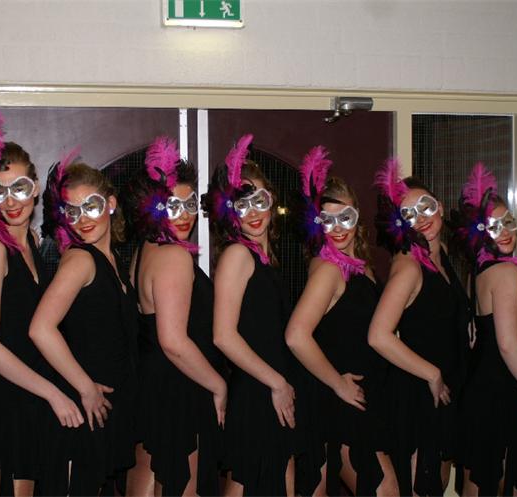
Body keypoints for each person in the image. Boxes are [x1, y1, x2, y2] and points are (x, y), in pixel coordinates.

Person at [0, 113, 82, 496]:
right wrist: (54, 394)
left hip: (29, 397)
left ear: (35, 189)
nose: (11, 200)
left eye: (20, 187)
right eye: (0, 191)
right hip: (2, 402)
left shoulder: (30, 244)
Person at [205, 134, 317, 497]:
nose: (253, 212)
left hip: (270, 388)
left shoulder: (266, 258)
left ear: (272, 202)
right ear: (230, 212)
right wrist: (277, 383)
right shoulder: (238, 255)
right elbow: (223, 336)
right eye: (242, 205)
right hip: (258, 391)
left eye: (260, 201)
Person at [285, 147, 399, 496]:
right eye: (327, 220)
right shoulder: (329, 269)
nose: (337, 228)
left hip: (363, 398)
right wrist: (338, 384)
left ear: (357, 216)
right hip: (341, 402)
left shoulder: (361, 266)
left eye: (344, 217)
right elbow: (296, 336)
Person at [29, 153, 138, 495]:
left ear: (110, 204)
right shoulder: (79, 259)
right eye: (72, 211)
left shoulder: (114, 260)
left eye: (90, 206)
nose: (82, 219)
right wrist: (86, 388)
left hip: (103, 412)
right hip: (80, 410)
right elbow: (40, 329)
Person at [126, 136, 226, 497]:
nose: (184, 214)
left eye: (189, 203)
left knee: (153, 477)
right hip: (179, 386)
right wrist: (218, 385)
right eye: (172, 205)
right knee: (182, 484)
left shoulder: (146, 249)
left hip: (154, 384)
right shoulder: (174, 256)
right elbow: (173, 341)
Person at [367, 159, 470, 497]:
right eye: (409, 214)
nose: (422, 218)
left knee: (437, 486)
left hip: (443, 395)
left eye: (425, 206)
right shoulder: (408, 266)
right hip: (417, 395)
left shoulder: (442, 257)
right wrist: (432, 373)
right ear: (400, 223)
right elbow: (378, 335)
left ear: (438, 205)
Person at [450, 163, 517, 497]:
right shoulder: (506, 274)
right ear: (478, 233)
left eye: (508, 221)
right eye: (493, 226)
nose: (504, 231)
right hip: (500, 396)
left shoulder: (480, 272)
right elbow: (508, 344)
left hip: (484, 393)